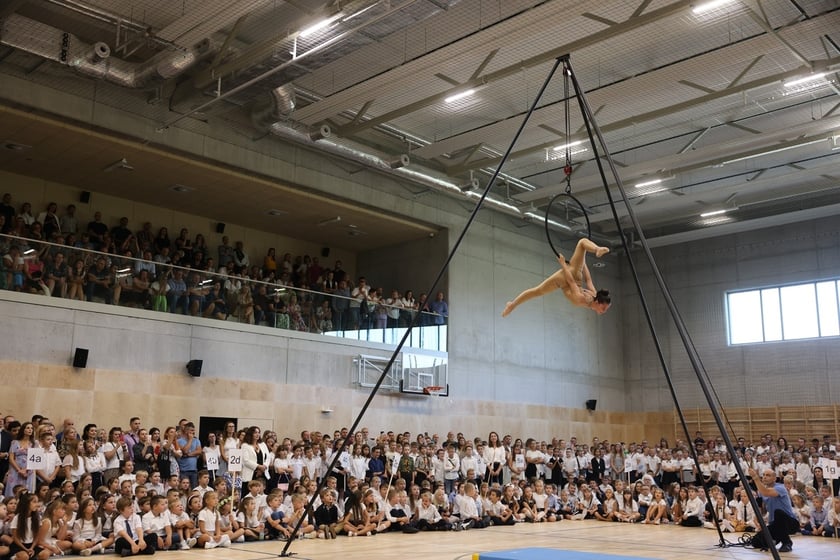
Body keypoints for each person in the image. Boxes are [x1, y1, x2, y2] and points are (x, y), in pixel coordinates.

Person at [502, 238, 611, 316]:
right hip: (565, 279)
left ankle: (597, 249)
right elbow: (571, 282)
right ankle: (512, 305)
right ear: (597, 302)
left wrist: (582, 263)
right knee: (537, 291)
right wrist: (563, 265)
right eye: (604, 308)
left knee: (582, 242)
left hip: (576, 275)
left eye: (605, 309)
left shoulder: (594, 294)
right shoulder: (581, 300)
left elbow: (588, 280)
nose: (604, 311)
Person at [749, 467, 799, 552]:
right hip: (775, 524)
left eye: (768, 475)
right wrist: (758, 519)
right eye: (763, 475)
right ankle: (775, 540)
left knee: (778, 513)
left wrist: (755, 478)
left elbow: (766, 492)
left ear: (775, 478)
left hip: (790, 523)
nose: (764, 477)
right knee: (755, 541)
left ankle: (787, 542)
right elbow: (763, 508)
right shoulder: (761, 491)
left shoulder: (781, 488)